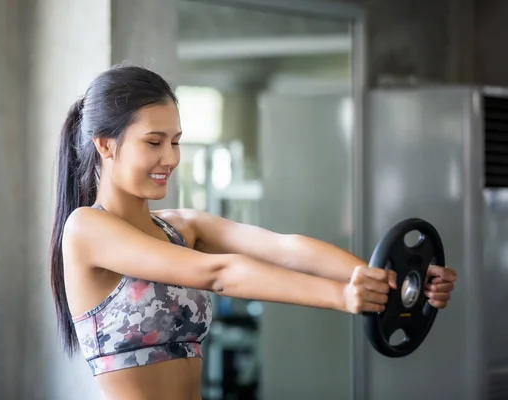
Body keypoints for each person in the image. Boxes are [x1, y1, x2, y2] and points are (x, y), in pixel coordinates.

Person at [49, 64, 457, 400]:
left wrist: (390, 281)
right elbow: (219, 274)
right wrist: (343, 296)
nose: (170, 158)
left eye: (175, 142)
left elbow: (285, 248)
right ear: (105, 145)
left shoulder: (182, 227)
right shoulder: (86, 228)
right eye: (153, 142)